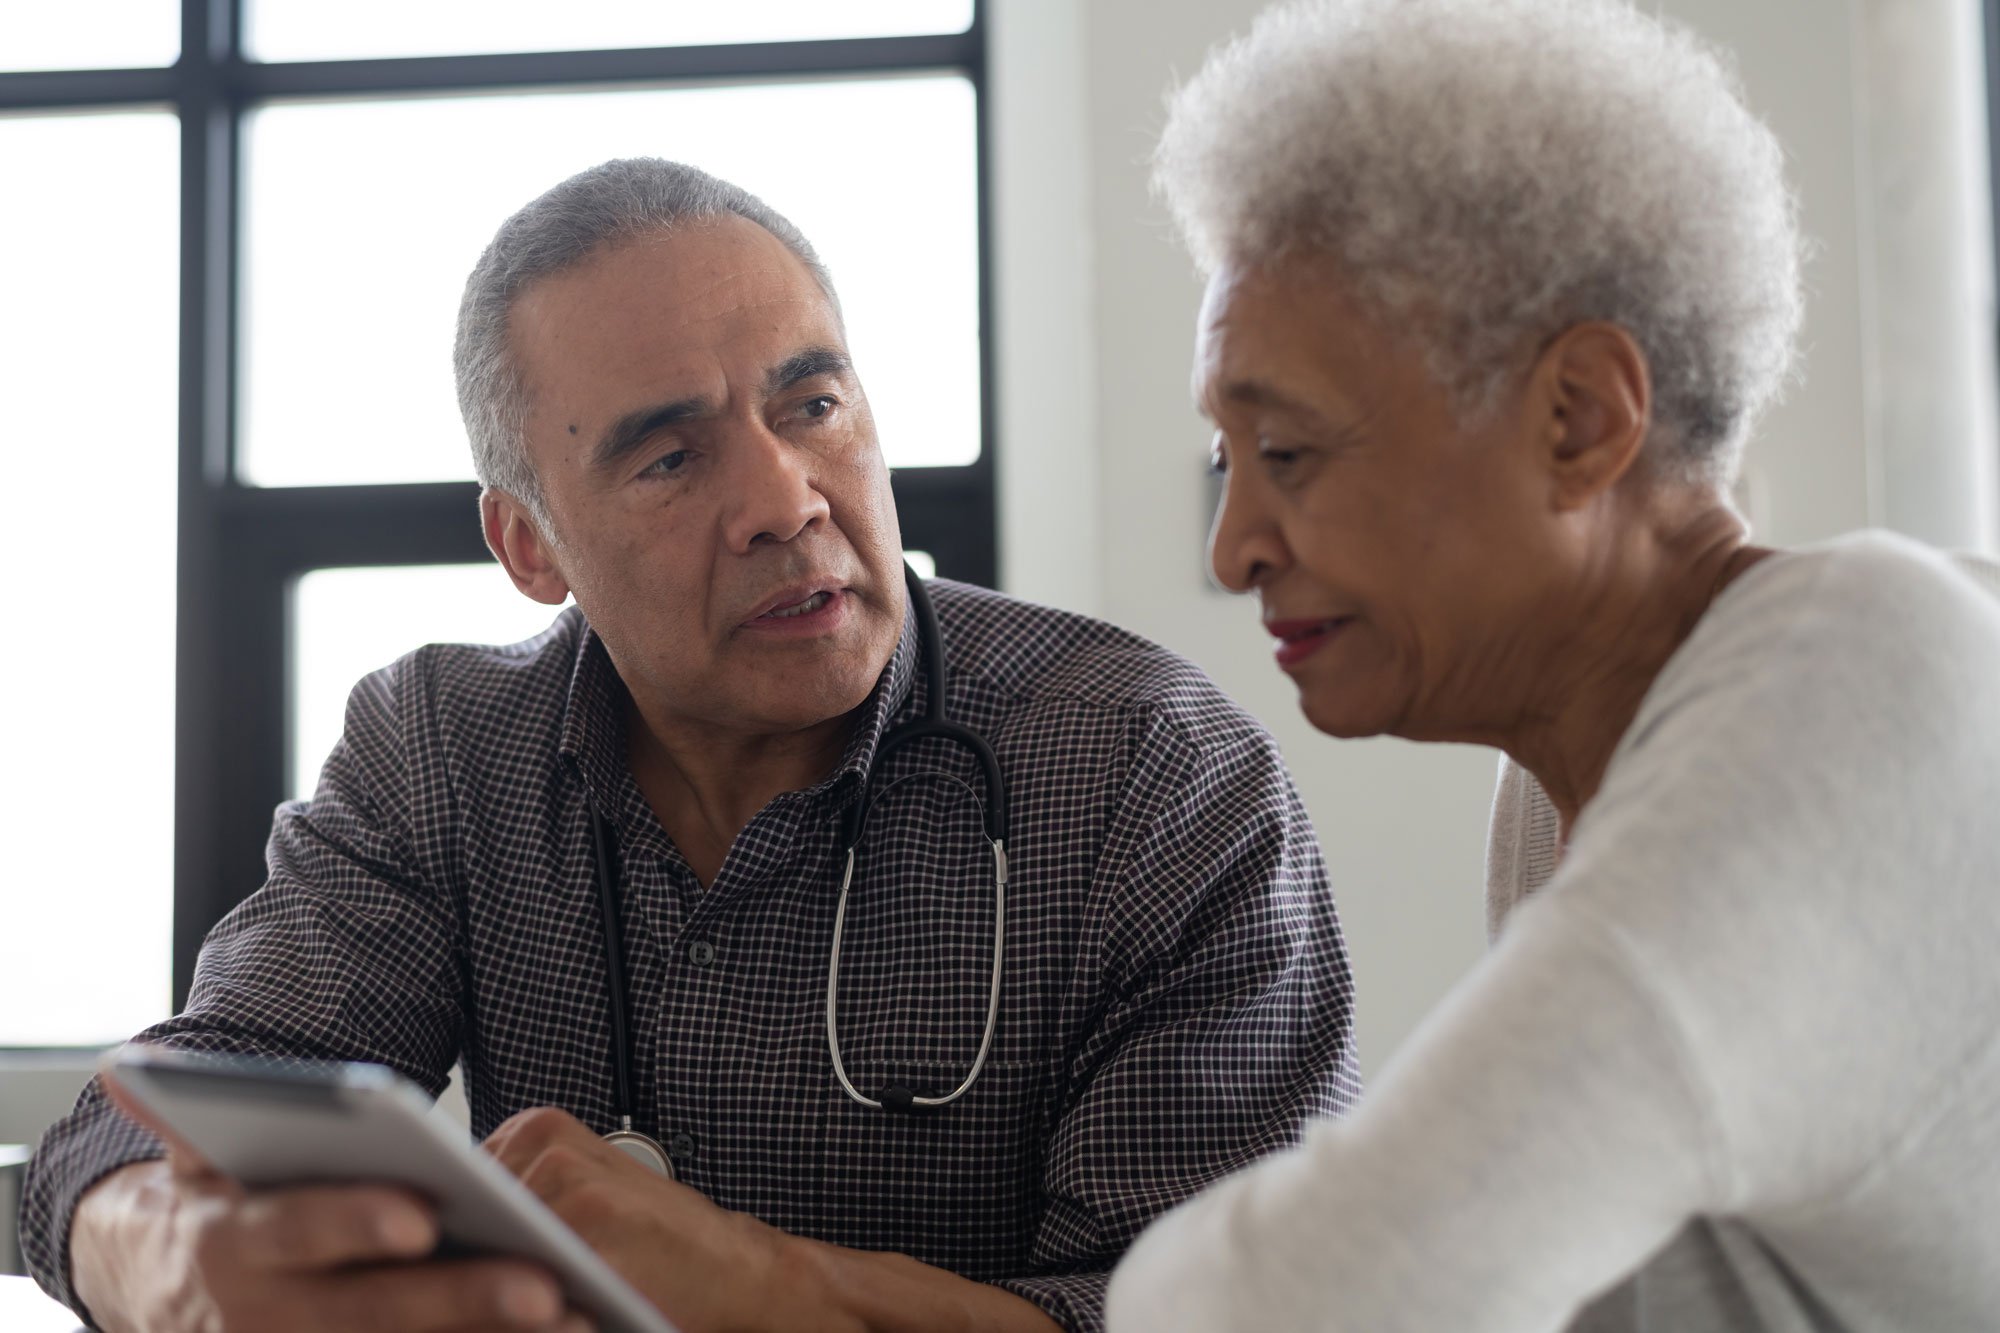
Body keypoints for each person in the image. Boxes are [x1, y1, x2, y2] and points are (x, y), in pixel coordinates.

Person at [23, 159, 1361, 1333]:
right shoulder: (440, 751)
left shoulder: (1150, 775)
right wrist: (154, 1254)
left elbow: (1245, 1317)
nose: (784, 502)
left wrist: (775, 1293)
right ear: (530, 545)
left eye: (814, 406)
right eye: (670, 459)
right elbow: (157, 1112)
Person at [1102, 0, 2000, 1330]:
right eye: (1227, 465)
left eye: (1287, 452)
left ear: (1579, 419)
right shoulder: (1561, 782)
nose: (1235, 549)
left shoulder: (1855, 684)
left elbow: (1293, 1300)